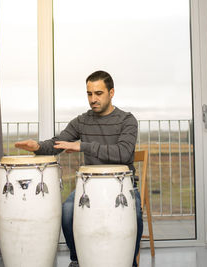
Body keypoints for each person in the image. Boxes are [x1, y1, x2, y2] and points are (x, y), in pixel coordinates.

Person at [15, 70, 143, 267]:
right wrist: (38, 147)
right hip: (89, 186)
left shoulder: (127, 120)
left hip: (122, 186)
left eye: (98, 93)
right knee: (67, 211)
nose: (93, 99)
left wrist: (82, 145)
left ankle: (129, 262)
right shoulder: (82, 121)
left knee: (135, 216)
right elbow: (58, 143)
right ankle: (79, 259)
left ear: (111, 92)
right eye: (89, 94)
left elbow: (124, 154)